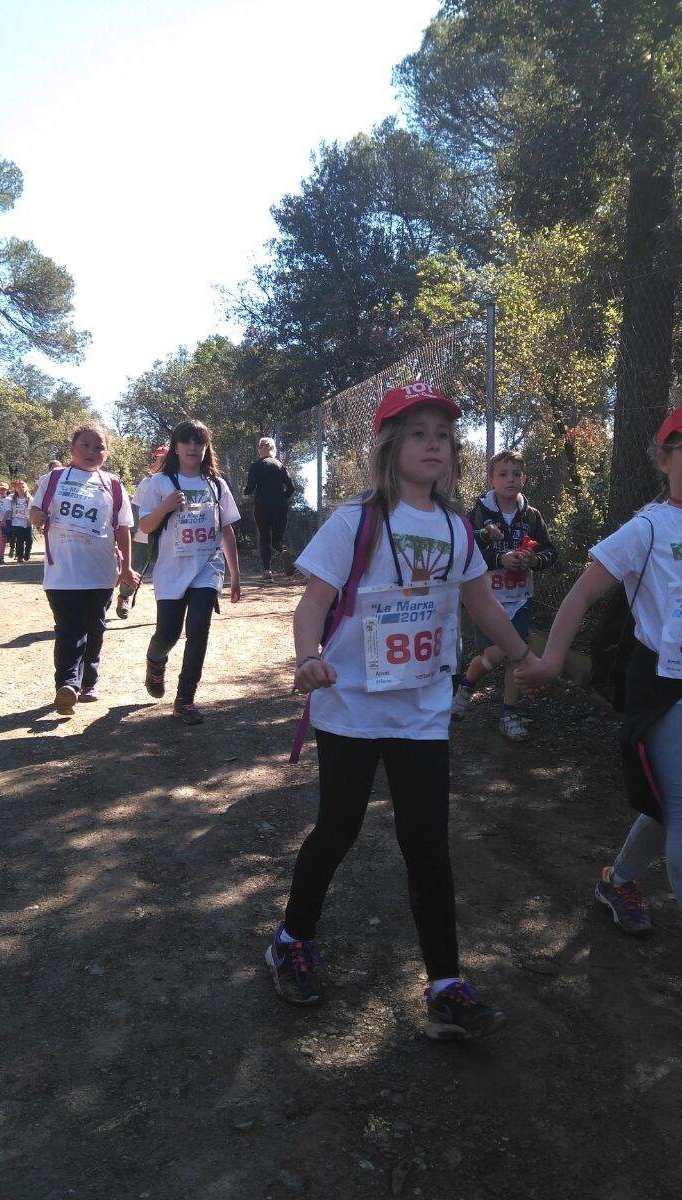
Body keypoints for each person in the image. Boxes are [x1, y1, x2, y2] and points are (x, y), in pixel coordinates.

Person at [269, 382, 541, 1042]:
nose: (433, 446)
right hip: (352, 708)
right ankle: (291, 939)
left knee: (427, 846)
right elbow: (312, 604)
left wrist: (522, 656)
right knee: (336, 832)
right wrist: (307, 659)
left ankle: (445, 983)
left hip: (422, 709)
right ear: (389, 447)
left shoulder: (454, 527)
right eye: (418, 433)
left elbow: (481, 603)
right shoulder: (355, 520)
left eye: (443, 437)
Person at [516, 403, 682, 999]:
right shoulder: (649, 528)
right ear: (664, 458)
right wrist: (553, 659)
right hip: (661, 688)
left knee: (674, 804)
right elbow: (581, 595)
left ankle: (619, 882)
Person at [133, 422, 242, 724]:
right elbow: (144, 527)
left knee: (198, 629)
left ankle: (185, 699)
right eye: (186, 441)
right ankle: (155, 662)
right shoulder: (159, 483)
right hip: (171, 570)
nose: (193, 447)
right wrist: (165, 507)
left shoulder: (217, 484)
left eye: (199, 442)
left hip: (207, 568)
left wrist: (235, 574)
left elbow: (227, 531)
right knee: (168, 634)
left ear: (207, 448)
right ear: (176, 446)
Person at [29, 423, 138, 714]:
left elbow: (123, 527)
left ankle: (88, 681)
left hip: (101, 571)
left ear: (107, 451)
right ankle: (66, 686)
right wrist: (36, 516)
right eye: (86, 445)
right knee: (68, 629)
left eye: (99, 446)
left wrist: (126, 567)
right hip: (62, 571)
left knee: (95, 628)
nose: (92, 451)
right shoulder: (52, 479)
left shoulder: (112, 484)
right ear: (72, 449)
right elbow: (34, 512)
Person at [451, 450, 557, 741]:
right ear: (491, 479)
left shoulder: (532, 516)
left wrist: (532, 561)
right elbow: (467, 549)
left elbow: (550, 552)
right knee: (494, 654)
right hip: (487, 598)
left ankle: (509, 713)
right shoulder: (479, 513)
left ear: (524, 478)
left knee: (516, 655)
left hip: (521, 597)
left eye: (515, 474)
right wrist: (500, 558)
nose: (510, 479)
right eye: (503, 474)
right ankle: (466, 684)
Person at [116, 444, 167, 620]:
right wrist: (131, 533)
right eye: (158, 459)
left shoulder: (179, 480)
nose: (161, 462)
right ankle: (124, 596)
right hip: (143, 536)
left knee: (169, 571)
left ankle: (169, 607)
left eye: (164, 459)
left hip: (170, 538)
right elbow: (135, 509)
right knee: (136, 566)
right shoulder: (147, 483)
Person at [244, 436, 295, 582]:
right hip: (280, 506)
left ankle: (267, 572)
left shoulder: (256, 466)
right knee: (276, 540)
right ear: (273, 449)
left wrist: (245, 491)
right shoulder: (280, 465)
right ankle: (283, 551)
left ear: (259, 448)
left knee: (265, 538)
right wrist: (281, 499)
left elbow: (250, 488)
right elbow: (291, 488)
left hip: (262, 506)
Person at [8, 478, 33, 563]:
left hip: (27, 521)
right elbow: (10, 509)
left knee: (29, 540)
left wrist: (30, 521)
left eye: (22, 487)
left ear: (26, 488)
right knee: (20, 539)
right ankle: (20, 556)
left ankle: (27, 553)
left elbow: (31, 510)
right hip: (16, 521)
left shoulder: (30, 499)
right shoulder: (12, 498)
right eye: (18, 487)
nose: (21, 489)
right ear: (15, 489)